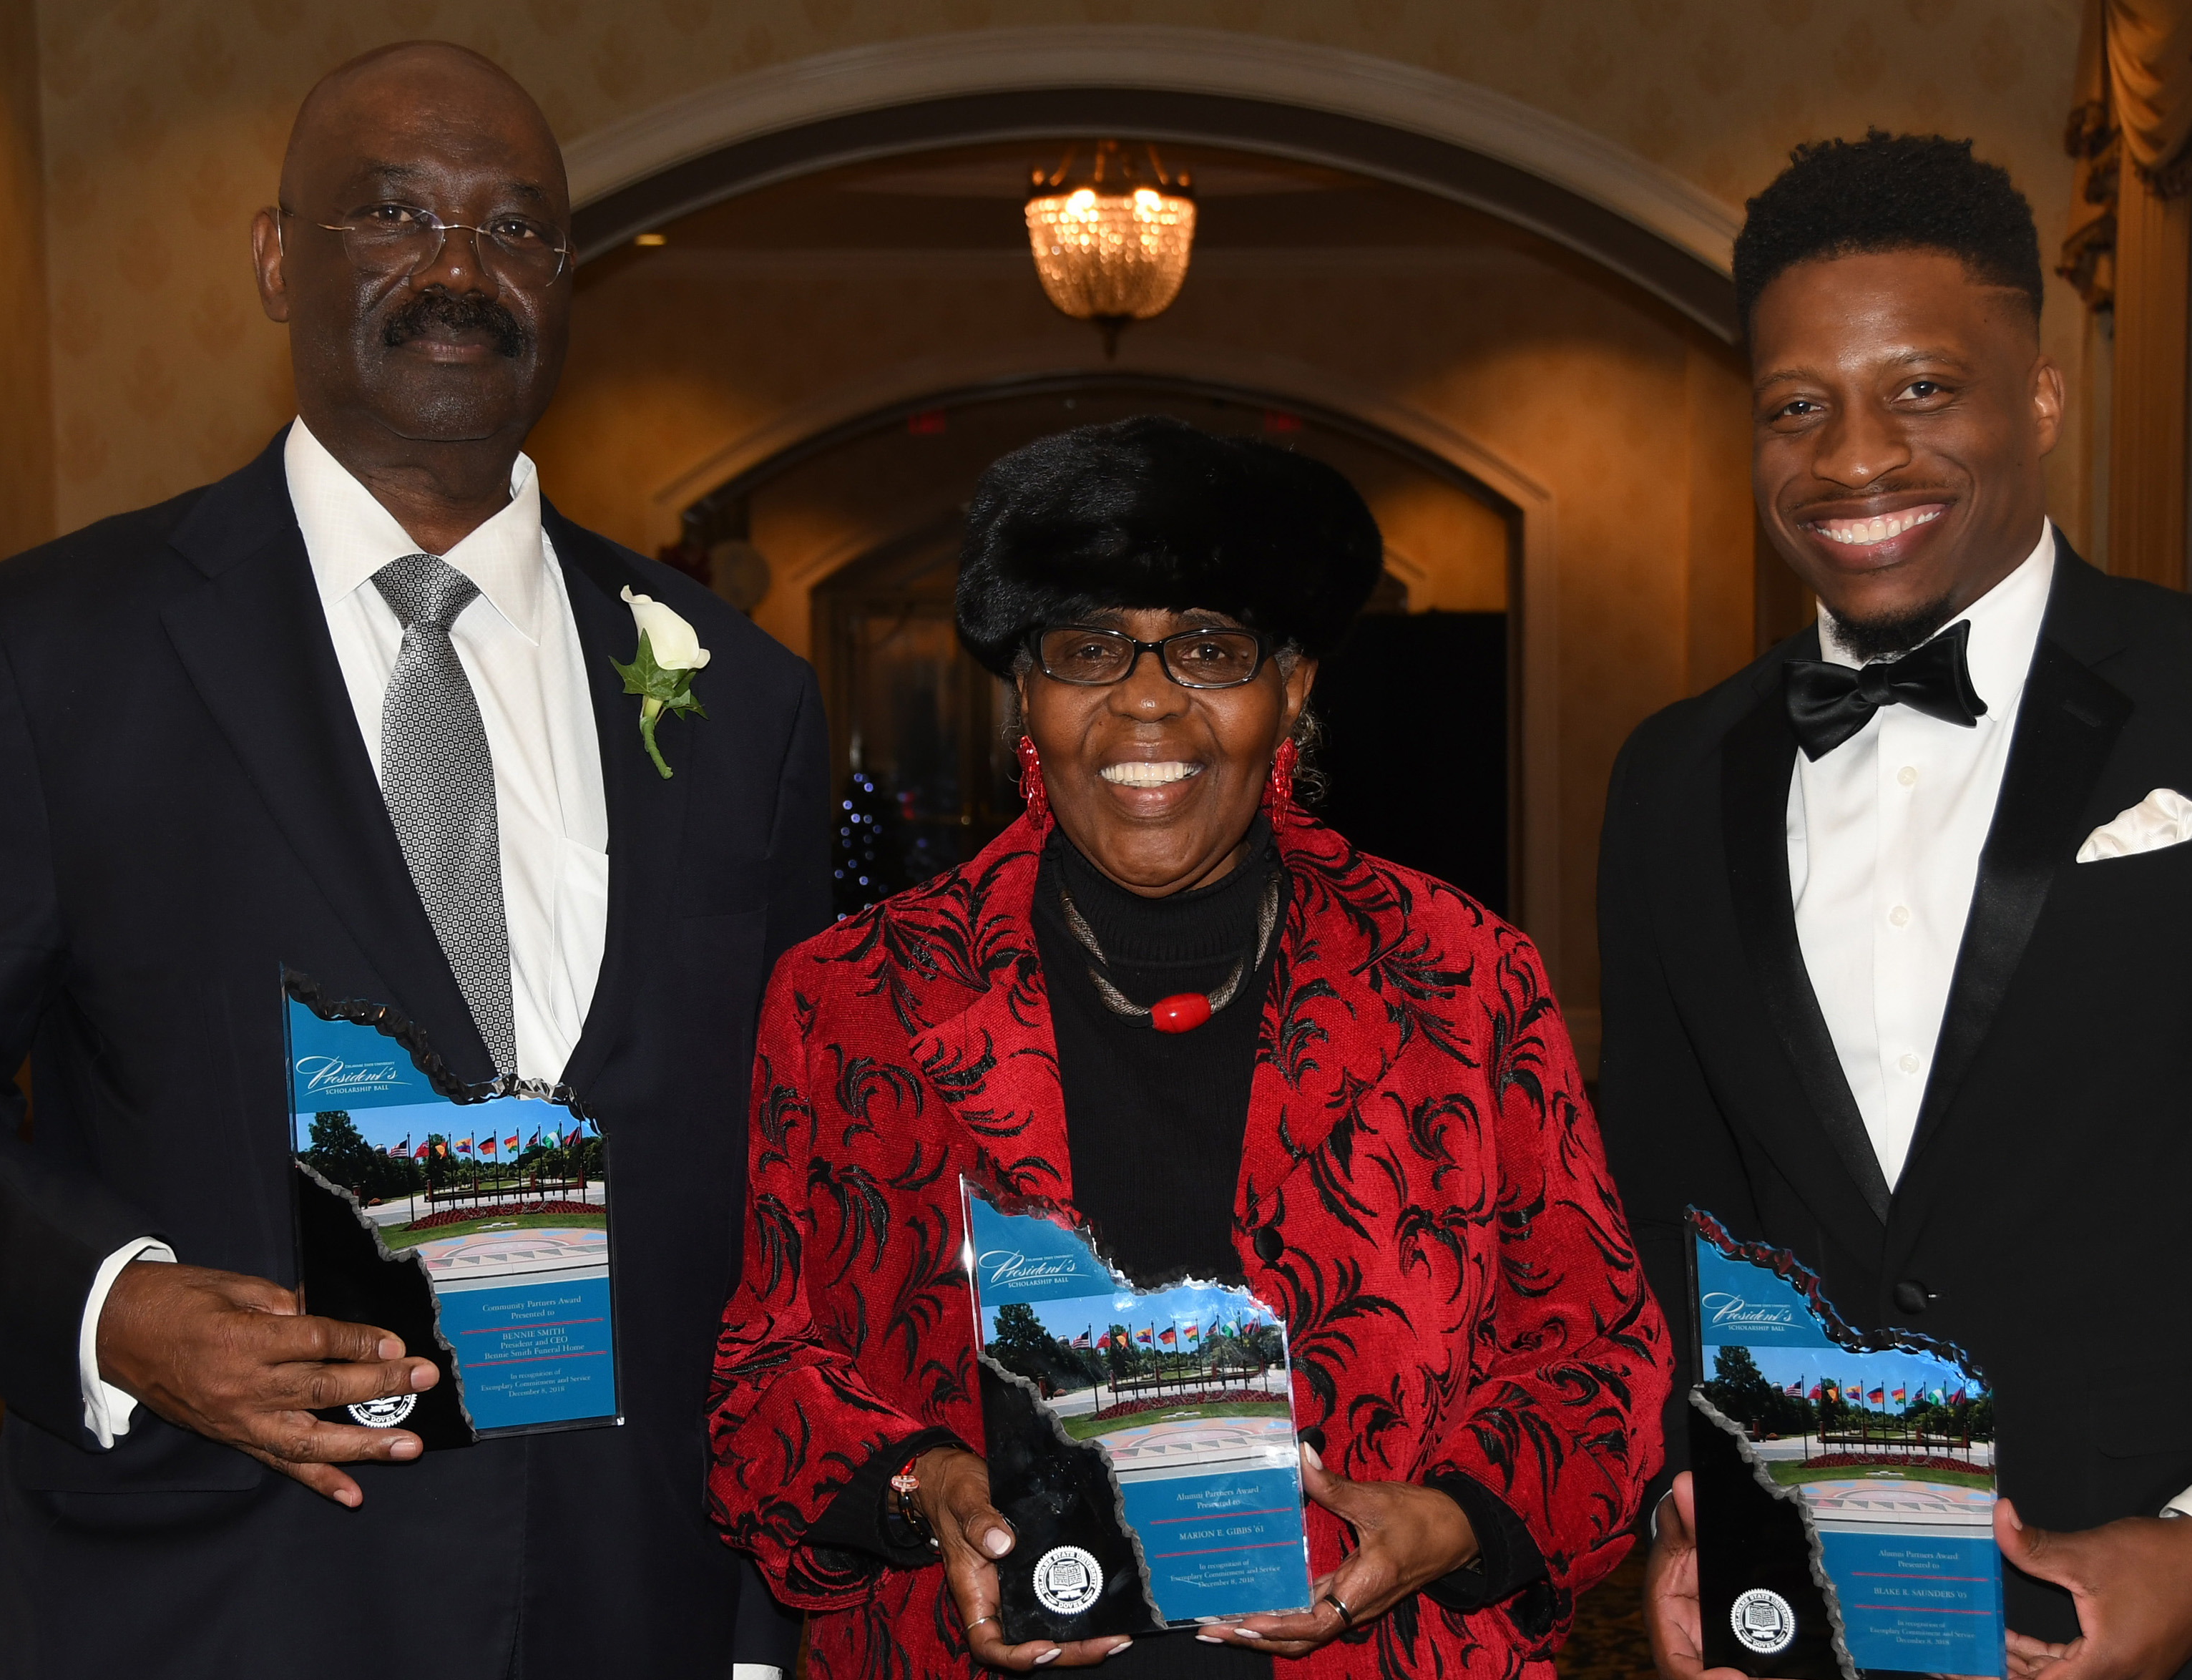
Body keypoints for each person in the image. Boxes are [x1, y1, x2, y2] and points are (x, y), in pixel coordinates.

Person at [0, 42, 828, 1678]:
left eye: (517, 230)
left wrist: (763, 1611)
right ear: (280, 259)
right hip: (221, 1590)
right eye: (393, 214)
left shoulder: (731, 685)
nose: (461, 273)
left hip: (633, 1590)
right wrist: (119, 1312)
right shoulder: (57, 654)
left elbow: (785, 1172)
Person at [1595, 132, 2192, 1680]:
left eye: (1921, 387)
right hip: (1818, 1615)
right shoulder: (1670, 777)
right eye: (1796, 406)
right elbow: (1669, 1209)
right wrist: (1686, 1502)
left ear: (2037, 396)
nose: (1852, 458)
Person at [708, 416, 1664, 1675]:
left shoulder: (1463, 976)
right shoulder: (857, 995)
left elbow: (1600, 1360)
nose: (1147, 700)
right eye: (1088, 649)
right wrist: (920, 1486)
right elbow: (765, 1377)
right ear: (1027, 696)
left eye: (1208, 650)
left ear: (1294, 689)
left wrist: (1450, 1519)